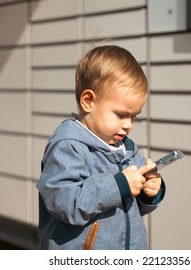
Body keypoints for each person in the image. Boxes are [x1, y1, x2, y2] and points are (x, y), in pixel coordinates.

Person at [37, 45, 166, 250]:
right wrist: (119, 185)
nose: (128, 124)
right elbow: (65, 203)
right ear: (88, 101)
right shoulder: (68, 147)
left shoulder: (126, 149)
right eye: (121, 115)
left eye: (133, 116)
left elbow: (132, 207)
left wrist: (150, 192)